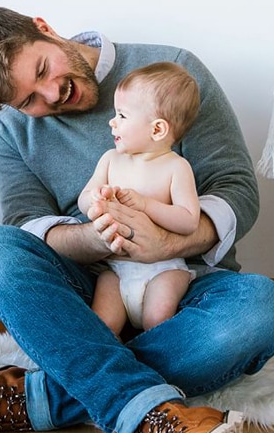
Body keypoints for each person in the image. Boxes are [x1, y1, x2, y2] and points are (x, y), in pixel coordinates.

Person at [0, 7, 274, 433]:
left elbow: (236, 187)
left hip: (185, 288)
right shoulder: (13, 132)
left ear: (45, 29)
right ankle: (154, 419)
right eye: (29, 99)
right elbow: (28, 225)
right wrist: (97, 240)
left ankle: (31, 399)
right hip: (90, 293)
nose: (52, 94)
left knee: (262, 308)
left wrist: (165, 244)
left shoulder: (172, 72)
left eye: (42, 70)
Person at [77, 62, 201, 336]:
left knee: (157, 320)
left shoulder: (176, 168)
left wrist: (147, 205)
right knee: (103, 325)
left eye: (122, 115)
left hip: (163, 269)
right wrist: (95, 200)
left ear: (157, 130)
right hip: (117, 269)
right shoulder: (110, 160)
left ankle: (154, 350)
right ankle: (115, 356)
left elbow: (189, 221)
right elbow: (83, 199)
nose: (112, 121)